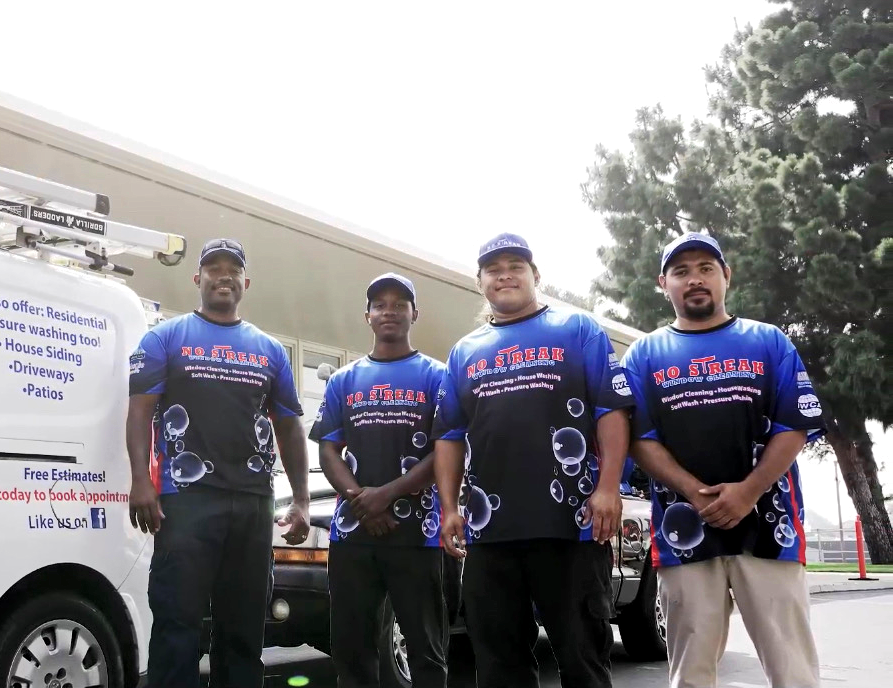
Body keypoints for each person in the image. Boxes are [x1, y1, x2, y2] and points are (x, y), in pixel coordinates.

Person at [621, 232, 825, 688]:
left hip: (769, 532)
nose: (695, 279)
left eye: (706, 269)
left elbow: (794, 425)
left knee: (793, 671)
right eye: (681, 271)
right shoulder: (644, 355)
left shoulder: (768, 341)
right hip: (685, 538)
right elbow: (639, 440)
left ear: (726, 276)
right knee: (691, 675)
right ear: (664, 284)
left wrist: (748, 491)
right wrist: (697, 495)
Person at [433, 233, 634, 688]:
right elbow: (449, 435)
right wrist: (448, 508)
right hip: (490, 535)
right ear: (480, 282)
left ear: (535, 275)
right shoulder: (464, 352)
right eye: (493, 269)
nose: (504, 275)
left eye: (515, 266)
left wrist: (608, 487)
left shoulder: (577, 329)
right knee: (499, 666)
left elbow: (611, 410)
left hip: (573, 526)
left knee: (583, 661)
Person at [127, 238, 311, 688]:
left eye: (233, 269)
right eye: (213, 268)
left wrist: (302, 500)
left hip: (252, 503)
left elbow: (289, 427)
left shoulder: (270, 350)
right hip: (185, 502)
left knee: (243, 630)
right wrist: (141, 481)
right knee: (176, 624)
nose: (224, 275)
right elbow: (139, 412)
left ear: (246, 282)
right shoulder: (165, 338)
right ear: (198, 278)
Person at [310, 272, 449, 688]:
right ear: (367, 315)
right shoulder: (344, 380)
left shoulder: (437, 376)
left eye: (399, 304)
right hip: (353, 536)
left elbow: (445, 452)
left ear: (414, 314)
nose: (389, 311)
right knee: (352, 651)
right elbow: (328, 450)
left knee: (426, 650)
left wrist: (385, 495)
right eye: (380, 304)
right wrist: (361, 501)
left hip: (418, 536)